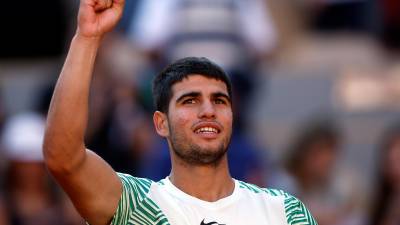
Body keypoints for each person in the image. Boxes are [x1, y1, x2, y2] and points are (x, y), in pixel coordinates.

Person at [42, 0, 317, 224]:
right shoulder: (138, 205)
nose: (208, 110)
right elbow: (63, 157)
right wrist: (87, 38)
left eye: (220, 100)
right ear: (160, 123)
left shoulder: (285, 212)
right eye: (190, 100)